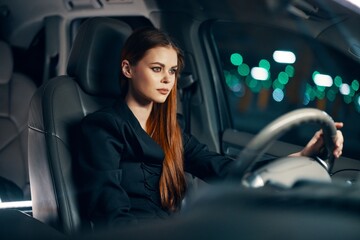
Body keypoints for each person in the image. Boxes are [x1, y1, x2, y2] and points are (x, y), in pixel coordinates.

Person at [77, 27, 344, 230]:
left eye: (172, 71)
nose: (167, 79)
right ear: (128, 69)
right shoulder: (103, 127)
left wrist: (300, 157)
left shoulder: (171, 129)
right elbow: (109, 211)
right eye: (156, 69)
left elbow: (222, 167)